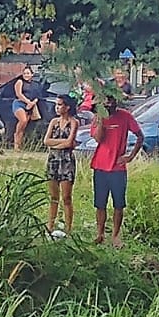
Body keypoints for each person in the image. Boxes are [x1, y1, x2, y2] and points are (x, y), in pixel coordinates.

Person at [88, 92, 145, 247]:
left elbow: (140, 136)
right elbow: (98, 138)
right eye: (106, 102)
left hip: (118, 167)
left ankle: (115, 235)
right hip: (100, 165)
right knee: (100, 203)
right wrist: (101, 118)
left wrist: (130, 156)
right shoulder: (97, 118)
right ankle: (100, 234)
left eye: (111, 101)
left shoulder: (125, 116)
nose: (109, 104)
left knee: (119, 204)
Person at [42, 96, 81, 239]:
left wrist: (57, 144)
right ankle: (50, 225)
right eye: (56, 105)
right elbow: (46, 141)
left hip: (66, 161)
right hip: (53, 160)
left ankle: (68, 228)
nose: (57, 108)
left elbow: (70, 142)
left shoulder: (73, 122)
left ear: (67, 107)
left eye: (60, 105)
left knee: (66, 197)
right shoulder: (54, 122)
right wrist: (62, 143)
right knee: (53, 196)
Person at [11, 64, 46, 148]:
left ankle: (19, 145)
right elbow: (19, 94)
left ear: (32, 74)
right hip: (20, 103)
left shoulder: (35, 85)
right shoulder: (20, 82)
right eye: (24, 73)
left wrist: (32, 103)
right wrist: (28, 102)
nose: (26, 75)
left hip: (31, 106)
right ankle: (16, 138)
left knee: (24, 126)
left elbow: (38, 96)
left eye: (28, 73)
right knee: (22, 120)